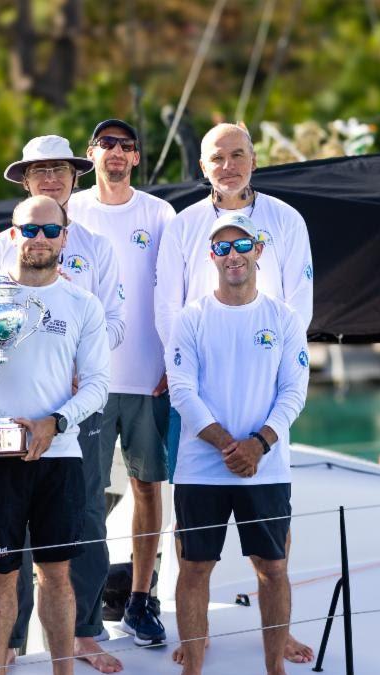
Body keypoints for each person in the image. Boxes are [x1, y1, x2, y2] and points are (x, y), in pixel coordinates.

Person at [153, 123, 315, 665]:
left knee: (273, 560)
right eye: (217, 157)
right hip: (202, 416)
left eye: (238, 154)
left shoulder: (286, 222)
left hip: (265, 409)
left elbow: (300, 305)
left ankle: (278, 643)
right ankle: (194, 651)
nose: (228, 165)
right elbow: (166, 303)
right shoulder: (184, 227)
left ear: (253, 159)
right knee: (194, 562)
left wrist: (263, 436)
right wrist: (220, 435)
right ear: (203, 166)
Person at [0, 195, 110, 675]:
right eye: (29, 230)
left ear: (65, 238)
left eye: (50, 231)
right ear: (13, 234)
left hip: (60, 453)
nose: (39, 239)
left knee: (56, 575)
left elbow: (97, 385)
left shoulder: (82, 304)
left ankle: (63, 671)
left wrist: (56, 422)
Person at [0, 134, 126, 670]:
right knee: (2, 541)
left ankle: (85, 634)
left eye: (59, 171)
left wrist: (75, 370)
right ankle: (10, 642)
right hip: (6, 412)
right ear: (24, 180)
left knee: (85, 515)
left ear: (74, 177)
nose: (49, 179)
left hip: (74, 404)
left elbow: (112, 320)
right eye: (38, 171)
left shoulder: (99, 248)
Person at [68, 119, 177, 655]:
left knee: (147, 488)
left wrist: (173, 362)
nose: (115, 152)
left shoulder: (159, 214)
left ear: (136, 158)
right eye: (106, 144)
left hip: (147, 377)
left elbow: (175, 291)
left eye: (125, 146)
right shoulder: (69, 212)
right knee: (86, 496)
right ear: (90, 154)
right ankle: (85, 616)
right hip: (86, 380)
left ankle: (141, 598)